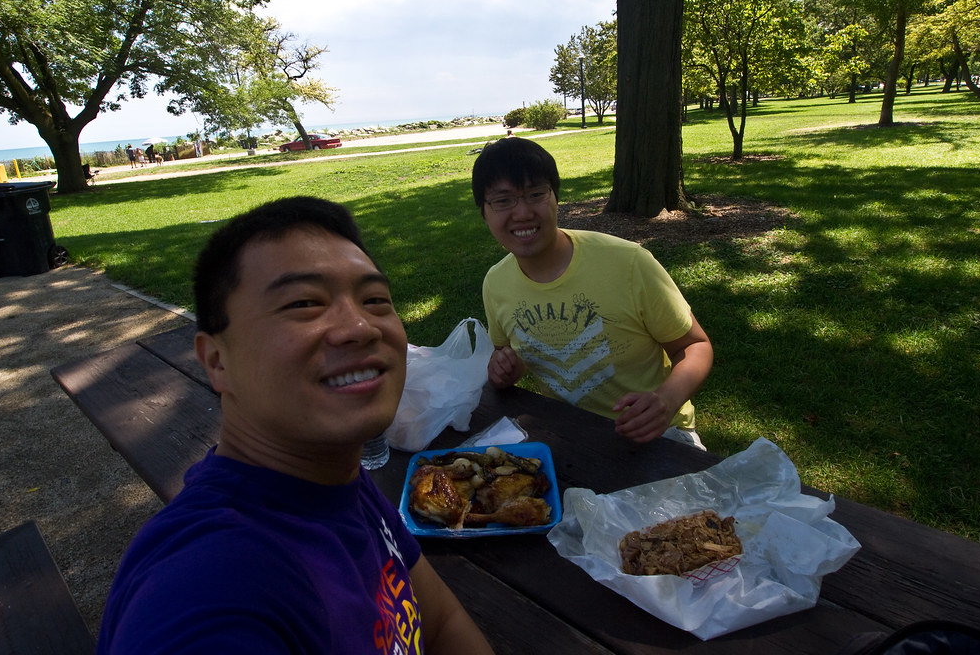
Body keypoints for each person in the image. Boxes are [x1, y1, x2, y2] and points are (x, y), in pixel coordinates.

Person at [97, 197, 494, 655]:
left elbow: (442, 621)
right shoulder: (209, 586)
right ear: (216, 361)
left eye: (376, 300)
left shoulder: (335, 478)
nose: (360, 327)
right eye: (304, 303)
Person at [471, 137, 713, 448]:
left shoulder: (628, 263)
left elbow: (695, 345)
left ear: (556, 198)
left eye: (535, 194)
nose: (522, 213)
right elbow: (509, 355)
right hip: (569, 431)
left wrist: (666, 400)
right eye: (503, 200)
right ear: (485, 213)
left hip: (660, 434)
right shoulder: (496, 283)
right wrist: (507, 369)